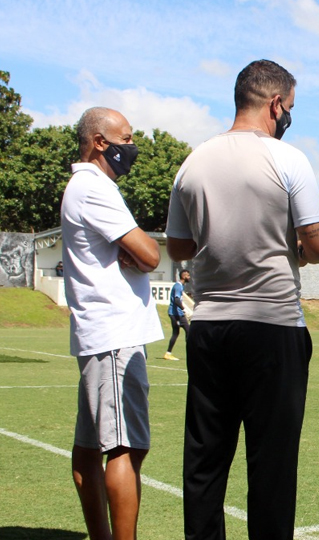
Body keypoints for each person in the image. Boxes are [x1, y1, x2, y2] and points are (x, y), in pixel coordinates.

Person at [165, 59, 319, 540]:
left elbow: (178, 247)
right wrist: (294, 247)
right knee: (272, 466)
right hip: (273, 326)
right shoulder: (288, 159)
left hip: (211, 326)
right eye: (291, 107)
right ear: (276, 103)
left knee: (204, 462)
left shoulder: (193, 162)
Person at [61, 107, 164, 540]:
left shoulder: (79, 185)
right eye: (127, 137)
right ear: (100, 141)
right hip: (115, 336)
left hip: (98, 335)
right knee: (124, 447)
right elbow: (151, 255)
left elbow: (138, 254)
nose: (133, 145)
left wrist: (135, 254)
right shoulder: (95, 188)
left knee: (88, 448)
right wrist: (138, 254)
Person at [164, 269, 191, 361]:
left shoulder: (179, 286)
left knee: (177, 333)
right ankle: (190, 353)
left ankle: (168, 353)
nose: (189, 277)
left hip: (177, 313)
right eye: (188, 275)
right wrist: (184, 310)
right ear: (183, 276)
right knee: (188, 331)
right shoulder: (178, 286)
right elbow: (176, 300)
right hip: (176, 314)